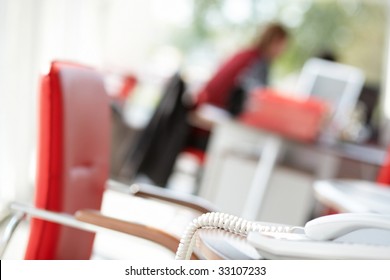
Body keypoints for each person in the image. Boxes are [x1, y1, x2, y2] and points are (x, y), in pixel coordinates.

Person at [196, 23, 289, 114]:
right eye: (282, 45)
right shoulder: (258, 61)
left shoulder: (247, 53)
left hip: (207, 104)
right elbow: (259, 97)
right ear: (274, 41)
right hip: (215, 110)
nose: (282, 51)